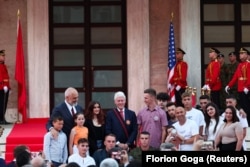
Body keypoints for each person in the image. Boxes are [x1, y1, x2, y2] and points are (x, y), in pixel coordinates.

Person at [46, 87, 84, 151]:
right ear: (67, 97)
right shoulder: (59, 109)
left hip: (79, 142)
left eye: (77, 97)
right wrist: (52, 129)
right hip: (66, 141)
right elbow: (50, 123)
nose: (77, 100)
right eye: (74, 98)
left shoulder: (79, 108)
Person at [225, 47, 250, 124]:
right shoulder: (240, 65)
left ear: (247, 55)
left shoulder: (248, 64)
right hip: (240, 89)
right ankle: (245, 121)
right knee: (242, 106)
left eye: (242, 53)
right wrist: (229, 85)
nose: (240, 55)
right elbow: (236, 77)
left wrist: (247, 86)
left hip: (247, 89)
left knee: (248, 106)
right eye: (240, 54)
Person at [0, 50, 10, 124]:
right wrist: (3, 86)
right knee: (1, 104)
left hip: (5, 87)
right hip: (1, 88)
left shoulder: (3, 65)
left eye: (4, 56)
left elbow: (6, 77)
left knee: (4, 103)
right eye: (2, 56)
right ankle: (1, 119)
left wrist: (8, 87)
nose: (4, 57)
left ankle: (2, 118)